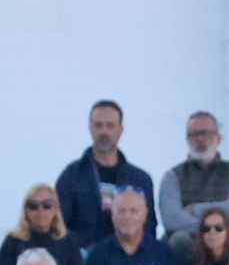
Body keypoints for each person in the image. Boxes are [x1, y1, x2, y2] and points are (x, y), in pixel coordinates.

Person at [55, 99, 156, 247]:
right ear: (90, 128)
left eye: (110, 126)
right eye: (98, 125)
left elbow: (149, 225)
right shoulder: (71, 176)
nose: (104, 131)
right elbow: (59, 225)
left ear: (120, 130)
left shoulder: (140, 179)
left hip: (130, 257)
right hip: (85, 256)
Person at [157, 111, 229, 244]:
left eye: (205, 133)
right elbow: (172, 219)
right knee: (179, 241)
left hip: (227, 244)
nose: (200, 139)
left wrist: (195, 209)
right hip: (188, 244)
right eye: (193, 135)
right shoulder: (173, 176)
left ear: (219, 138)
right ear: (187, 140)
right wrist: (213, 227)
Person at [0, 183, 86, 265]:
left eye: (47, 205)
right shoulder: (13, 241)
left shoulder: (68, 241)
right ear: (25, 211)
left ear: (55, 209)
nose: (40, 210)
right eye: (33, 205)